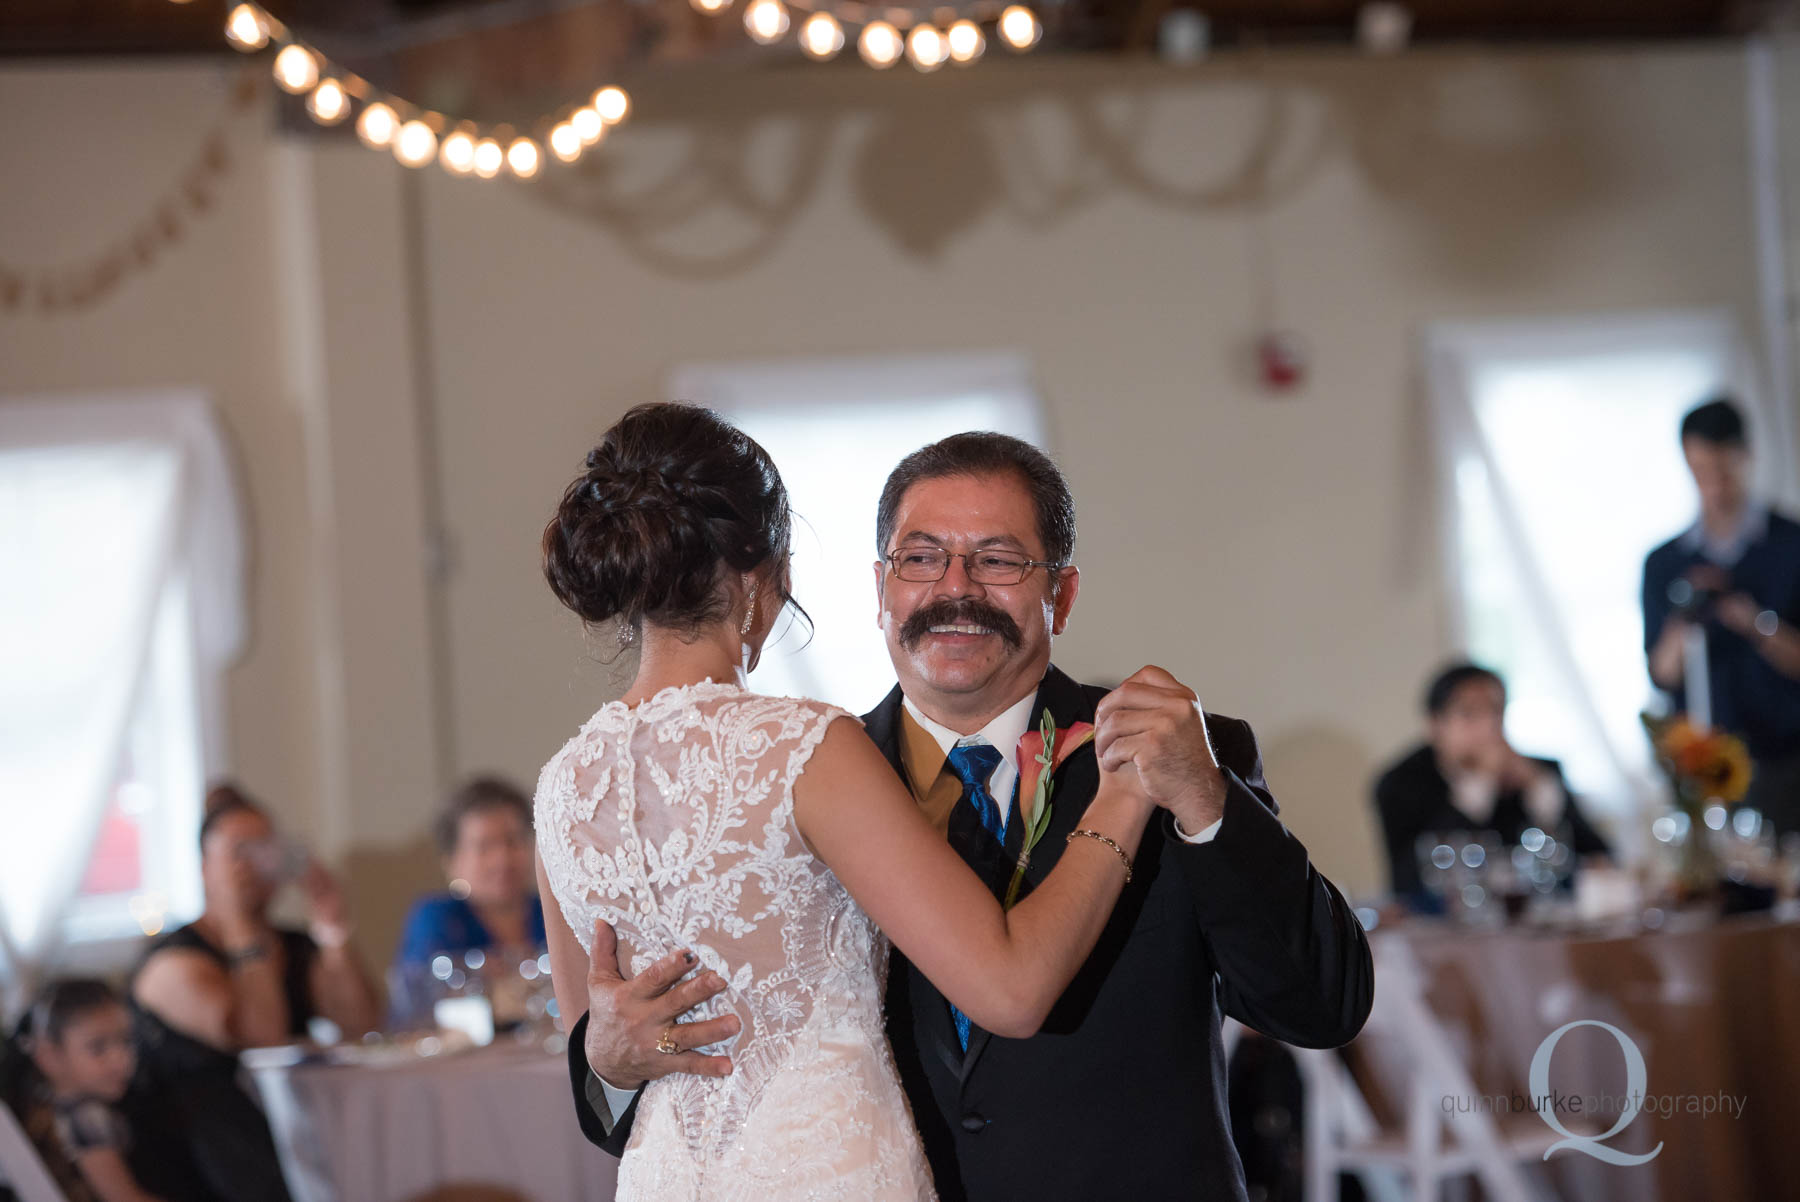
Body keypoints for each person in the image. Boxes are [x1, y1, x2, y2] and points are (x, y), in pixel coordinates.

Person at [552, 411, 1373, 1201]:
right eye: (921, 558)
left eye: (998, 560)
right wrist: (612, 1060)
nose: (955, 589)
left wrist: (1205, 801)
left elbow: (1322, 1007)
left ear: (1063, 592)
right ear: (880, 587)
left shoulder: (1177, 752)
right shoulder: (787, 783)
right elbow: (671, 1098)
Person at [124, 783, 380, 1202]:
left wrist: (332, 931)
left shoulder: (292, 946)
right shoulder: (173, 962)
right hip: (195, 1164)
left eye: (264, 848)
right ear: (206, 867)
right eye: (238, 853)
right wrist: (239, 922)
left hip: (281, 1141)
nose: (255, 865)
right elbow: (262, 1035)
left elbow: (360, 1023)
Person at [1643, 395, 1800, 835]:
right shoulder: (1664, 564)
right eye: (1699, 471)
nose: (1713, 484)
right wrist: (1685, 613)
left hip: (1785, 761)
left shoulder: (1791, 546)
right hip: (1699, 768)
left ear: (1745, 456)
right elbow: (1661, 672)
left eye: (1722, 469)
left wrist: (1755, 623)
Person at [1372, 662, 1611, 903]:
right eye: (1469, 714)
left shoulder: (1539, 771)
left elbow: (1597, 858)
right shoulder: (1400, 784)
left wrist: (1539, 789)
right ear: (1436, 724)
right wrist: (1480, 787)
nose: (1489, 726)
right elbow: (1409, 878)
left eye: (1496, 711)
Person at [390, 776, 547, 1027]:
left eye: (513, 840)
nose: (502, 859)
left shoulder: (554, 914)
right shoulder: (437, 918)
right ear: (452, 862)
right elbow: (424, 1008)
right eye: (485, 847)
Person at [1, 979, 164, 1202]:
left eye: (126, 1041)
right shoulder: (88, 1117)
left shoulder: (52, 1108)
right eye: (98, 1047)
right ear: (49, 1056)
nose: (122, 1060)